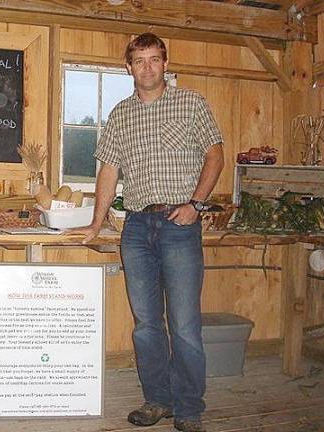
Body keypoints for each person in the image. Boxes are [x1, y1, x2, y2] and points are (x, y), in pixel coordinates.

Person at [72, 33, 224, 432]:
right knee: (146, 324)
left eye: (154, 60)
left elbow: (215, 154)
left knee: (185, 323)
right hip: (136, 226)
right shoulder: (120, 114)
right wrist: (95, 221)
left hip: (179, 223)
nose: (147, 68)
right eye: (139, 61)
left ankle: (189, 408)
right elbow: (108, 170)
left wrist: (196, 205)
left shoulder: (191, 103)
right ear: (128, 68)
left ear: (165, 63)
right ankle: (158, 400)